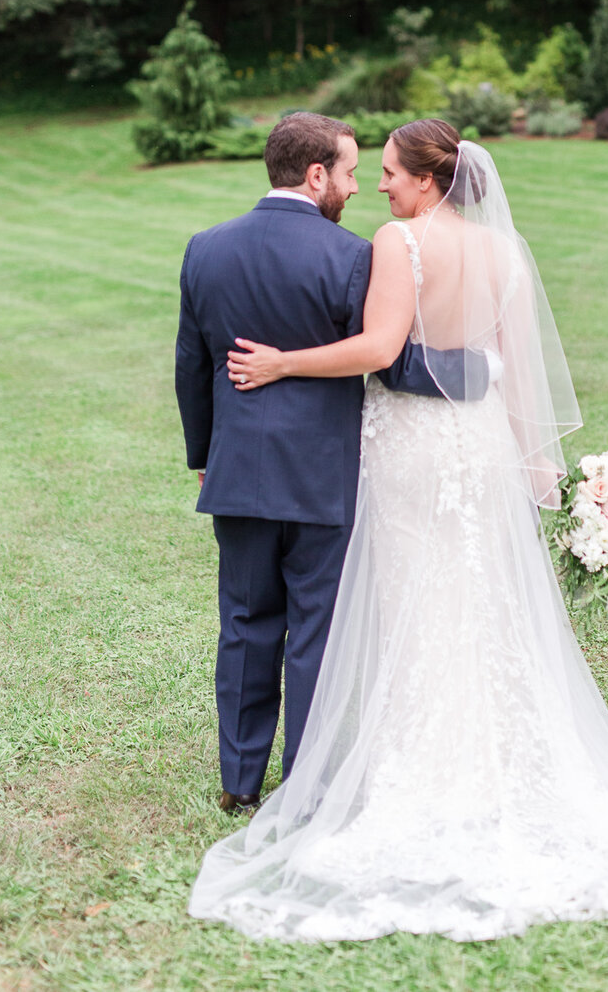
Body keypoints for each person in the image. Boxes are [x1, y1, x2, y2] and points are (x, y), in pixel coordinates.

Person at [189, 119, 608, 939]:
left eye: (394, 172)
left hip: (406, 452)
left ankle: (363, 767)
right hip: (475, 449)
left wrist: (282, 363)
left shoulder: (395, 244)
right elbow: (511, 373)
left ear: (429, 183)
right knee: (474, 598)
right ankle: (474, 756)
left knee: (401, 601)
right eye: (374, 172)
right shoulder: (506, 253)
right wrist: (537, 471)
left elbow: (381, 347)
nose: (383, 186)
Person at [175, 112, 489, 815]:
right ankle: (309, 781)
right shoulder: (352, 257)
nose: (356, 187)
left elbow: (192, 368)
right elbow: (393, 362)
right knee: (315, 628)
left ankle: (239, 779)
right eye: (348, 173)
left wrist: (203, 456)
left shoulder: (206, 249)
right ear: (315, 174)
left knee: (246, 622)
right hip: (324, 475)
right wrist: (480, 371)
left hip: (237, 475)